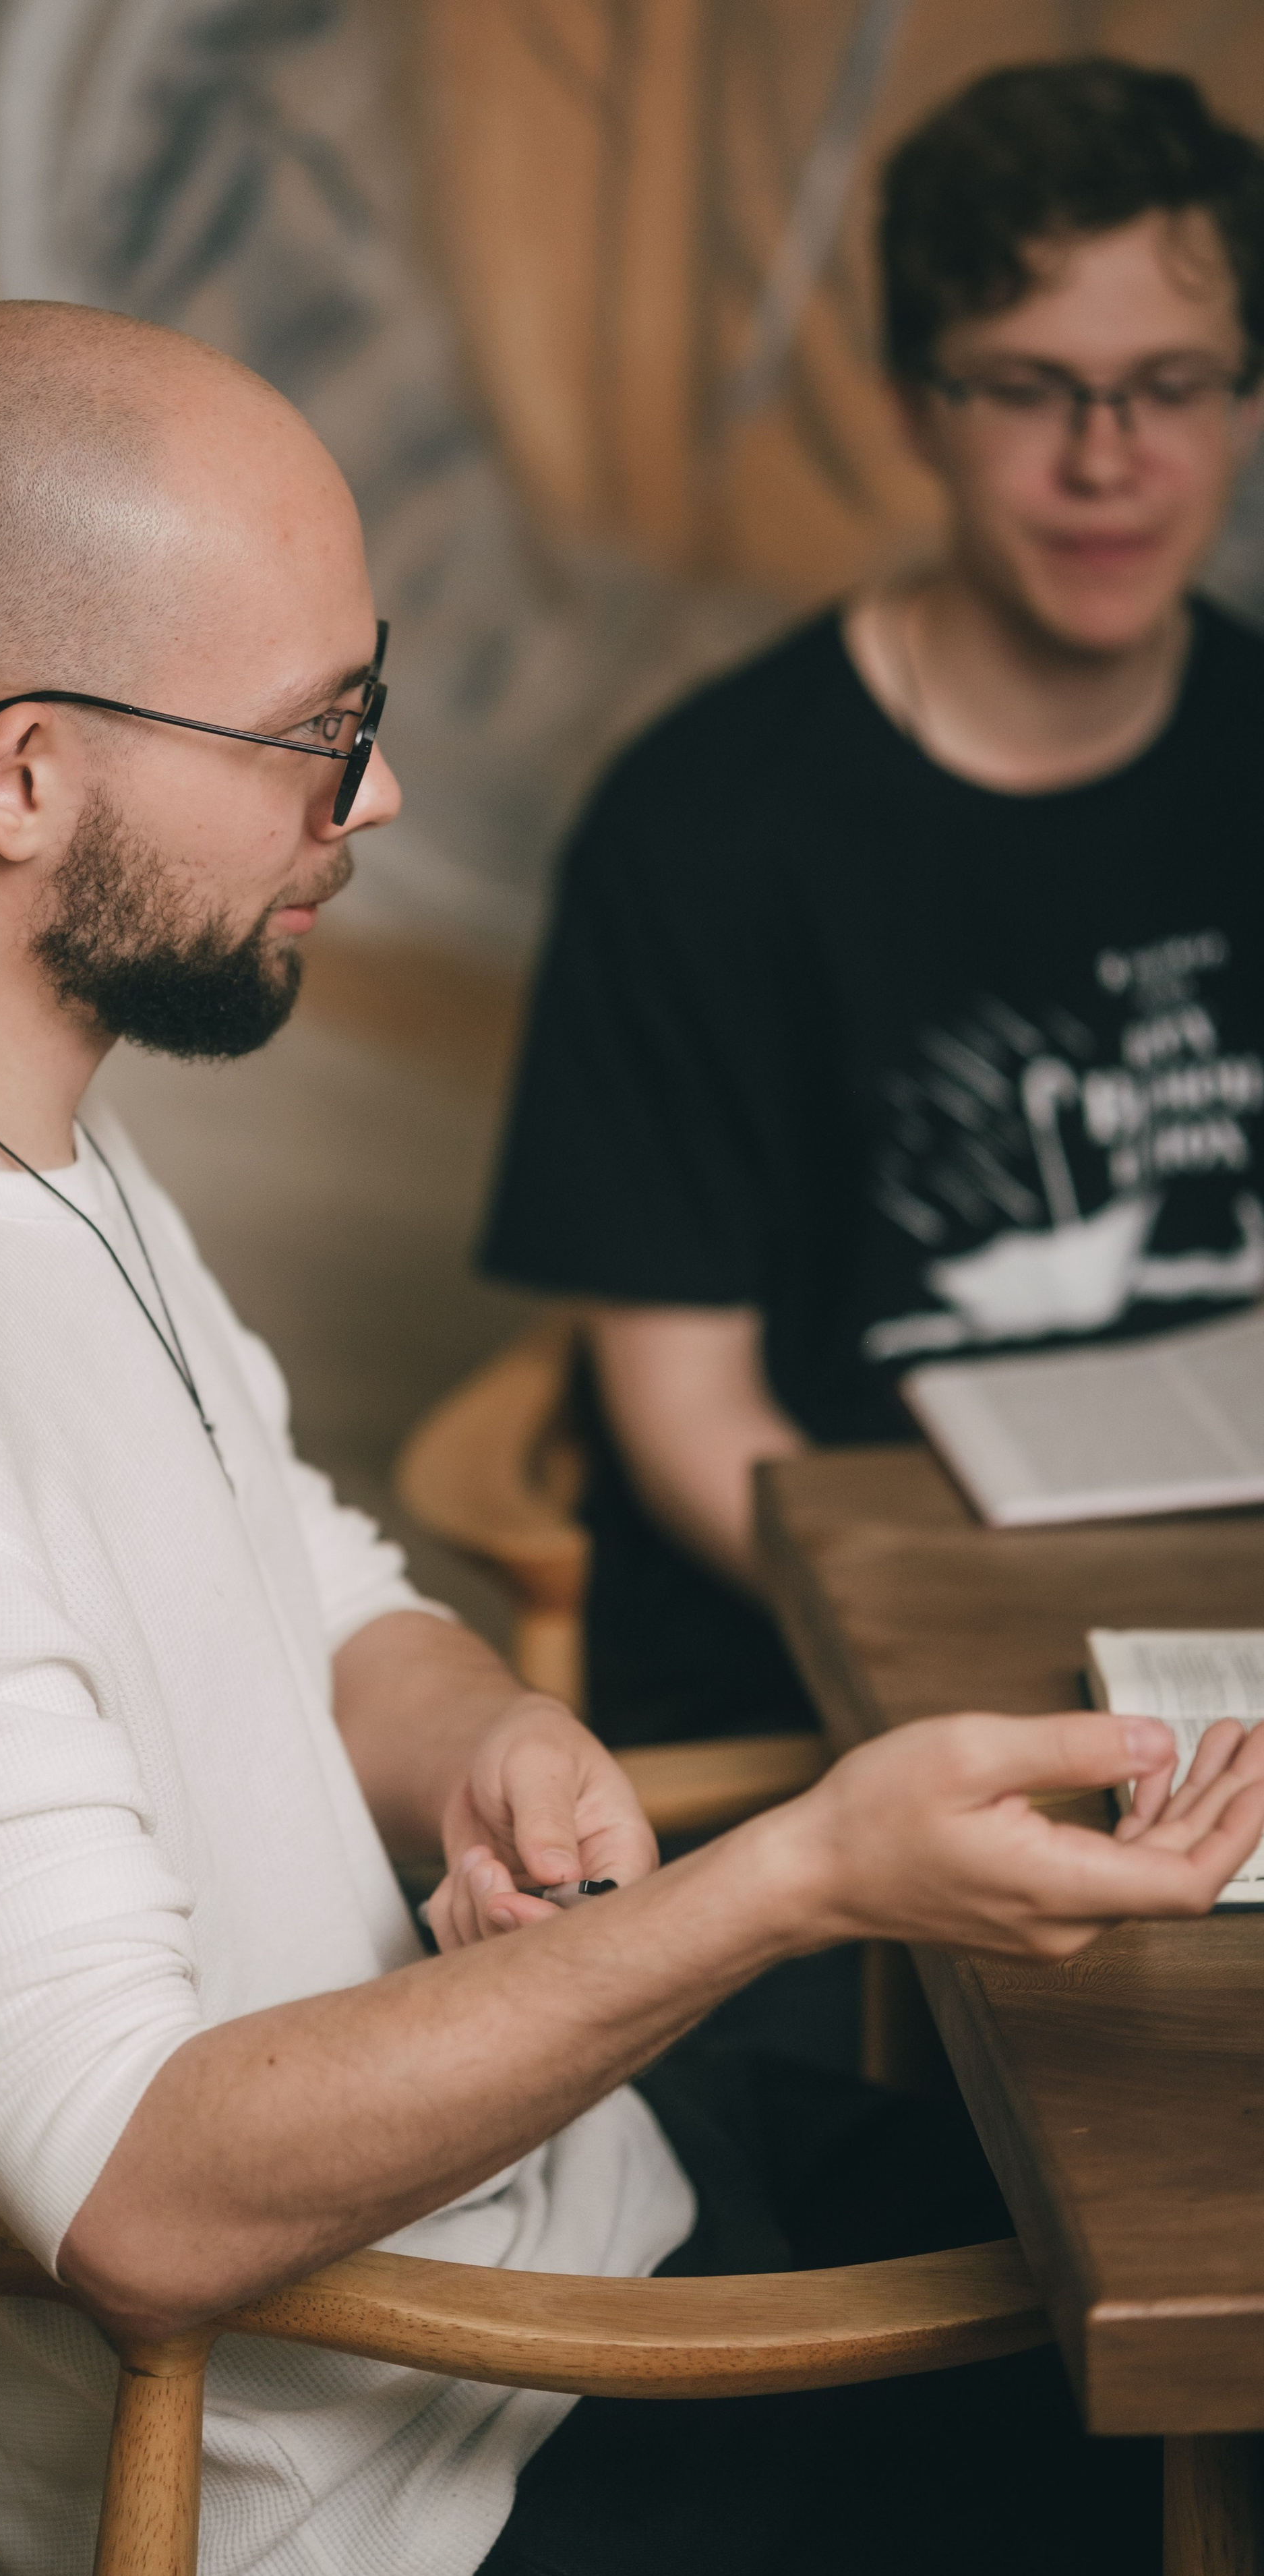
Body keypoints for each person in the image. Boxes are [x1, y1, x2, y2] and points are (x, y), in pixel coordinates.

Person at [0, 302, 1263, 2576]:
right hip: (421, 2486)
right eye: (312, 733)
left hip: (557, 2235)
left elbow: (313, 1574)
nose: (374, 802)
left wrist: (487, 1734)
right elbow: (146, 2199)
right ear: (25, 776)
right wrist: (798, 1878)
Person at [482, 58, 1264, 1774]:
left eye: (1168, 386)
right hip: (837, 1691)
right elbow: (684, 1410)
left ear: (1244, 403)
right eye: (1028, 388)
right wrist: (950, 1665)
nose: (1105, 461)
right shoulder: (699, 824)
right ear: (916, 405)